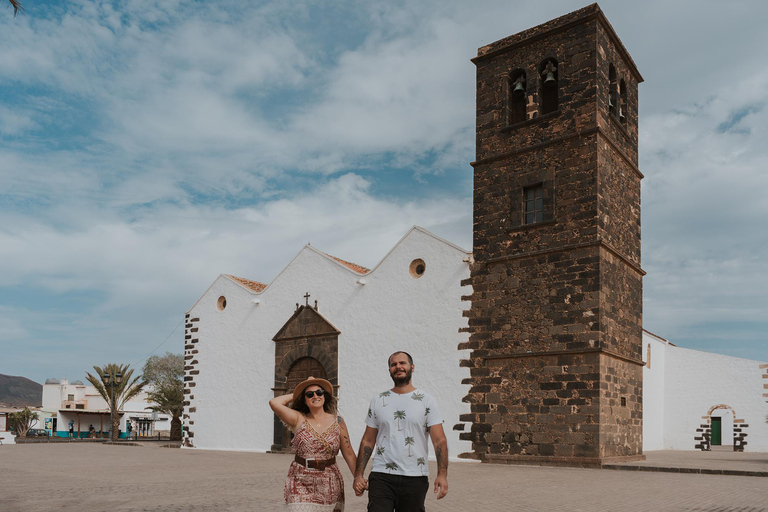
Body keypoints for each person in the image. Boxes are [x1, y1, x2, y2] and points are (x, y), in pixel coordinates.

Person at [353, 351, 449, 511]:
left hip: (415, 477)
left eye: (402, 363)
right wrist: (358, 475)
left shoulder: (427, 401)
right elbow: (368, 440)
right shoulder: (378, 400)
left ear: (412, 367)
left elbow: (440, 441)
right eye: (393, 364)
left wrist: (442, 475)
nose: (398, 367)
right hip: (381, 475)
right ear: (389, 370)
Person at [269, 376, 357, 511]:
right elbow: (274, 403)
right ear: (304, 399)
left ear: (325, 396)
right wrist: (298, 393)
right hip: (300, 480)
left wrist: (358, 477)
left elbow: (349, 453)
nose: (315, 396)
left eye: (319, 392)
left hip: (329, 481)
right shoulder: (298, 418)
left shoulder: (338, 421)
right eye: (309, 394)